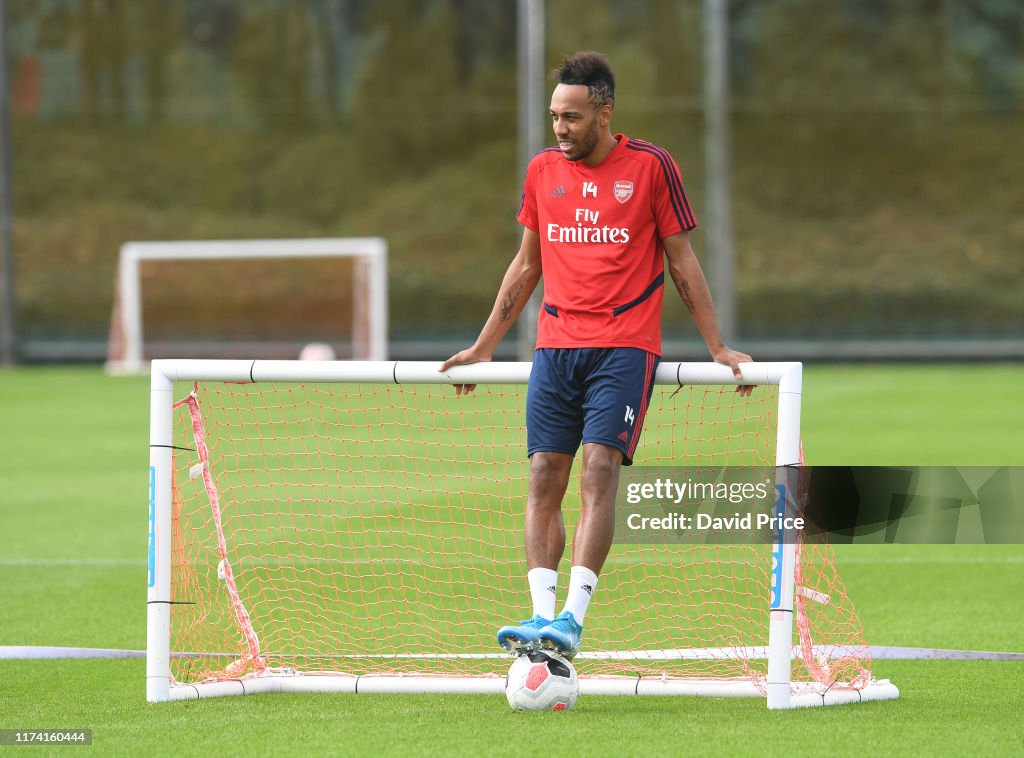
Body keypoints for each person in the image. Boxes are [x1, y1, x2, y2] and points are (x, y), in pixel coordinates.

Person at [440, 51, 752, 660]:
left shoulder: (652, 166)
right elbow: (526, 265)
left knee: (599, 469)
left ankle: (572, 620)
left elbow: (681, 261)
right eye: (555, 116)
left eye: (573, 117)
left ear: (604, 114)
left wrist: (716, 344)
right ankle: (540, 617)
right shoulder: (541, 171)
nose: (560, 128)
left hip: (624, 347)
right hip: (555, 347)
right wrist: (483, 346)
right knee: (542, 474)